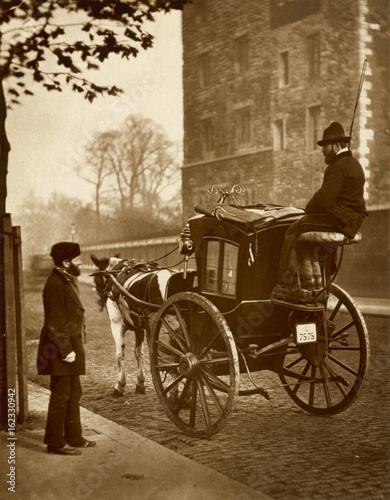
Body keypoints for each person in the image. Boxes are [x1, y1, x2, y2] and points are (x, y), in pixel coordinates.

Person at [271, 122, 367, 303]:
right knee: (311, 237)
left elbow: (324, 199)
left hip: (339, 220)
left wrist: (307, 210)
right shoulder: (355, 164)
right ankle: (319, 279)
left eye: (326, 147)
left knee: (293, 229)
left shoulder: (337, 167)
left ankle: (285, 284)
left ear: (337, 146)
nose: (322, 151)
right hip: (352, 220)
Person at [37, 241, 96, 455]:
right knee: (61, 394)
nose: (80, 262)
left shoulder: (64, 280)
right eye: (77, 259)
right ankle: (55, 443)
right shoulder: (55, 283)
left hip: (69, 347)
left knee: (74, 392)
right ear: (66, 262)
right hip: (60, 349)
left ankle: (74, 437)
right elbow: (55, 322)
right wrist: (67, 350)